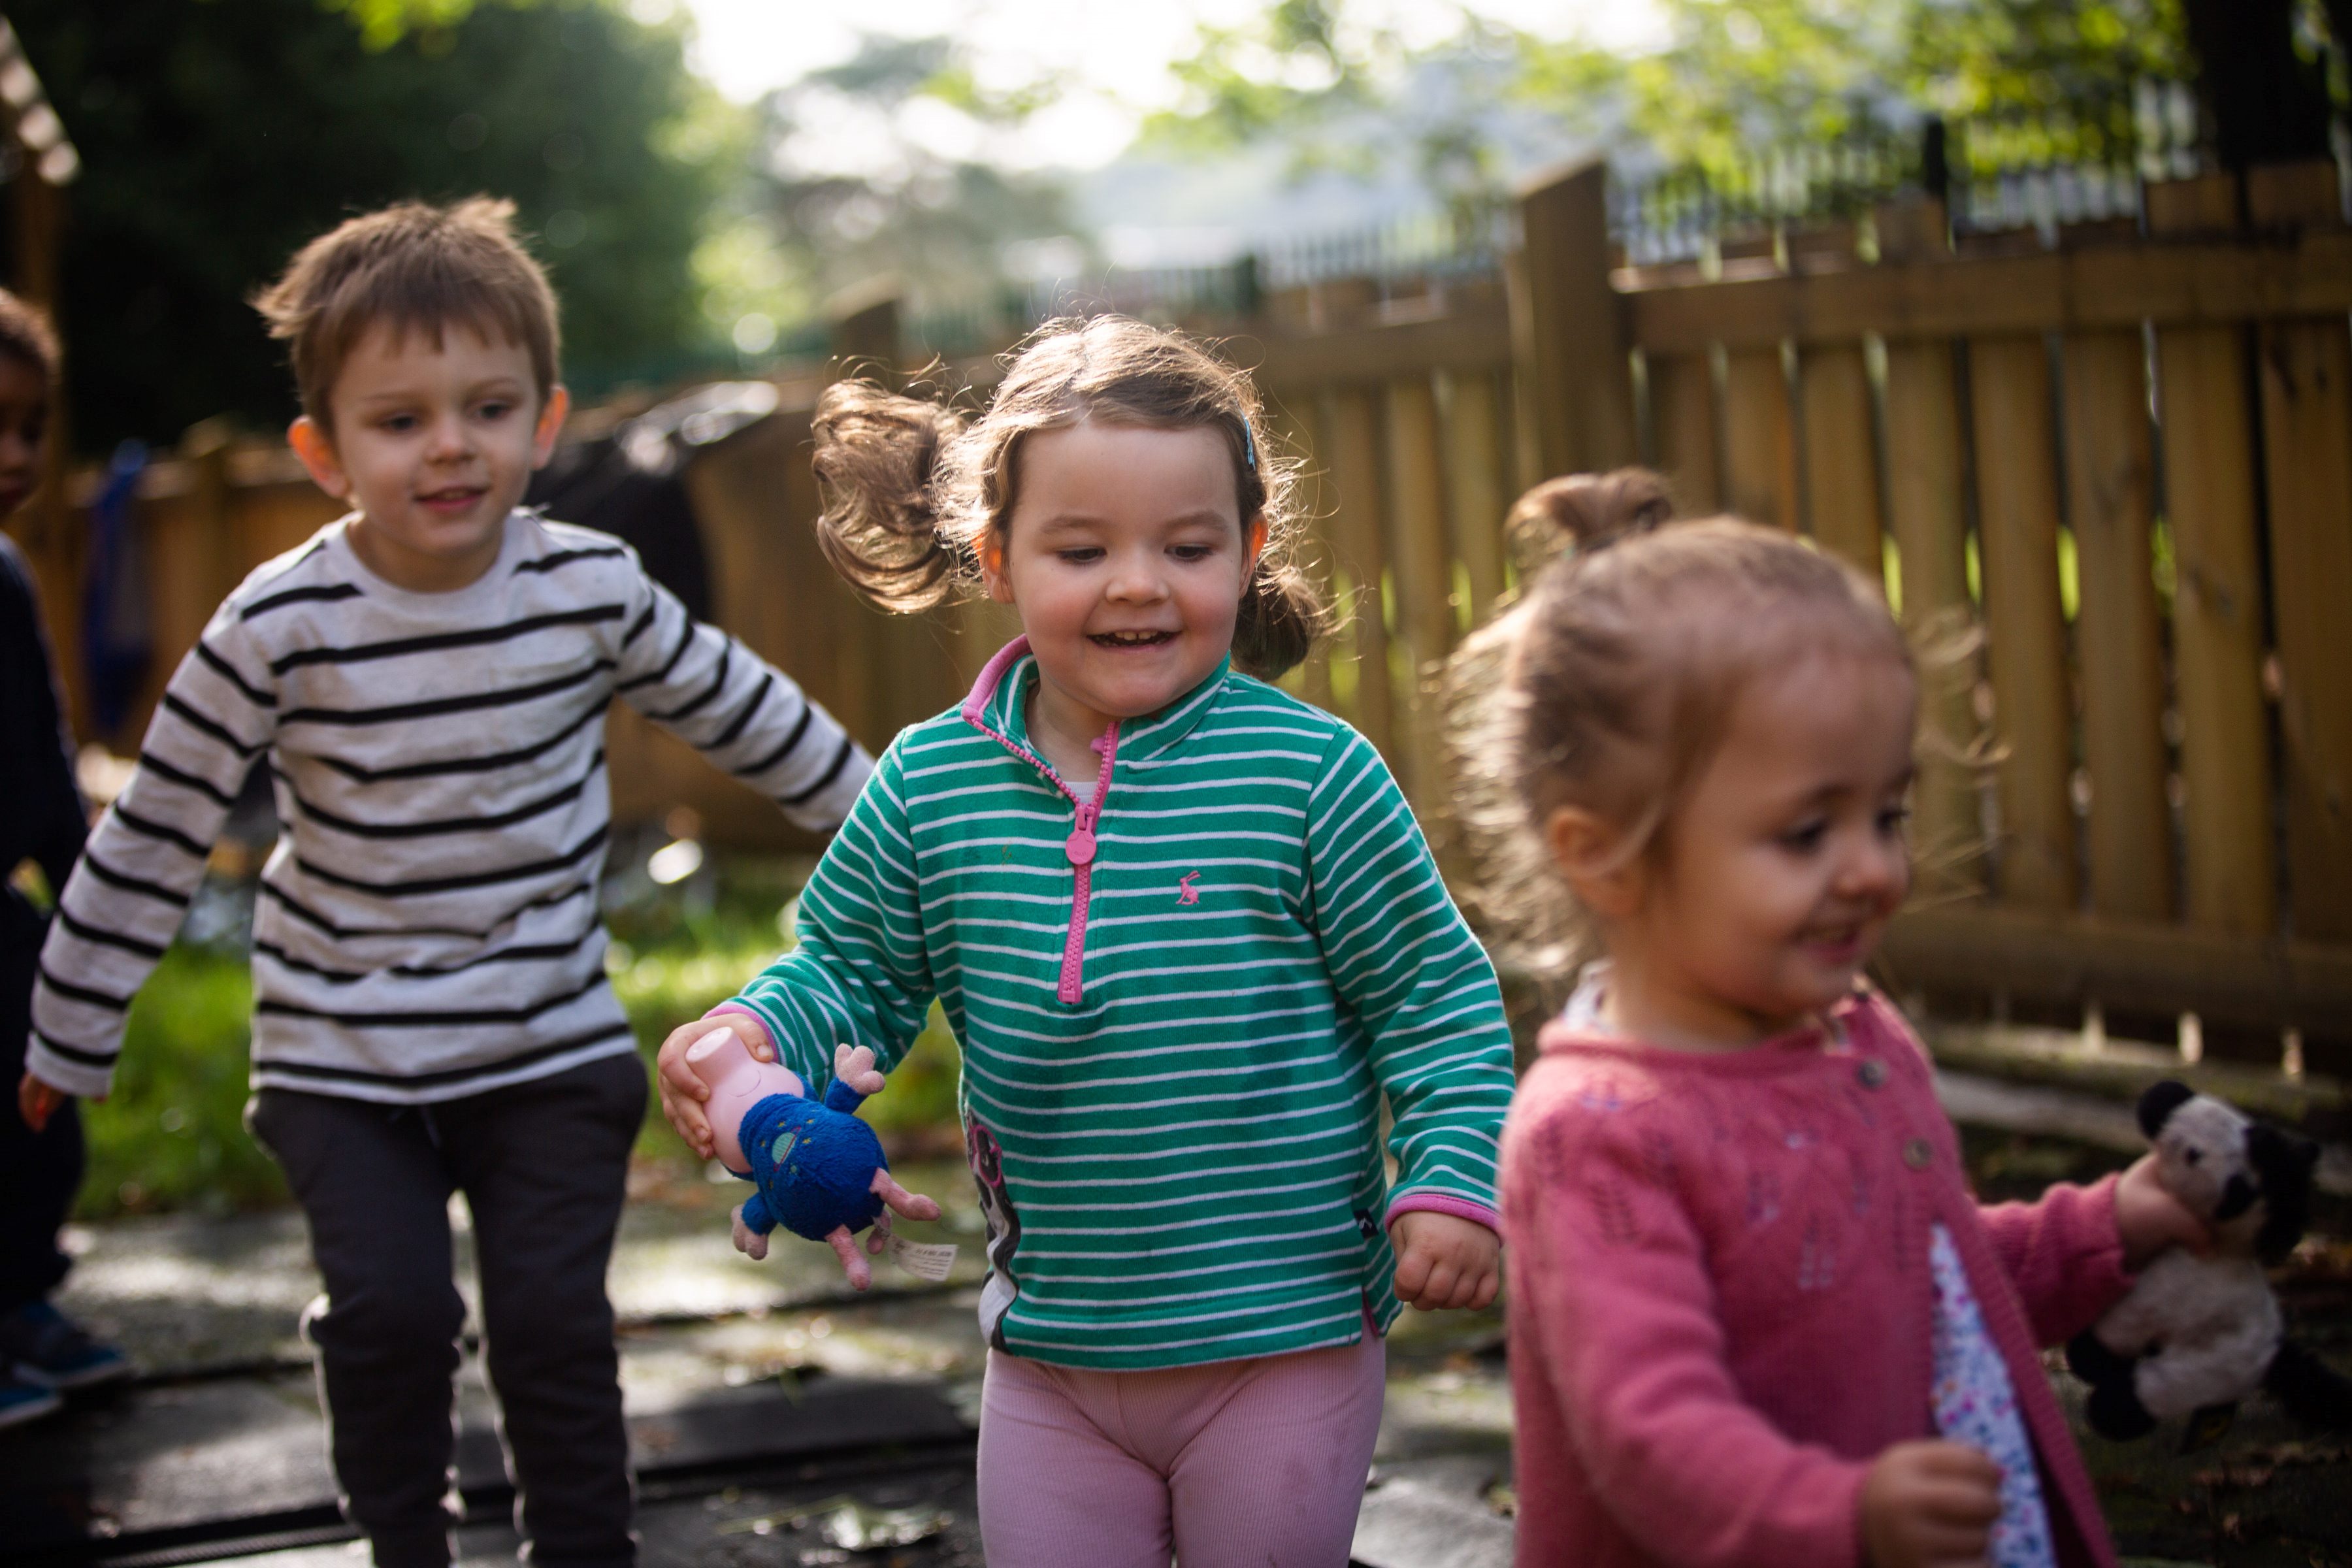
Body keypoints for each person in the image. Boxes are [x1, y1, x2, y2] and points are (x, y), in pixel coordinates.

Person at [18, 198, 871, 1567]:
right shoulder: (277, 624)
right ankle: (404, 1539)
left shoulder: (588, 587)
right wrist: (70, 1021)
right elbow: (158, 822)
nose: (450, 445)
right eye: (400, 419)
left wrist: (905, 837)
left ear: (545, 422)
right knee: (393, 1314)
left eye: (487, 408)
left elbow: (753, 715)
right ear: (323, 450)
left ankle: (583, 1548)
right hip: (341, 1058)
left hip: (547, 1042)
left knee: (551, 1323)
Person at [655, 315, 1518, 1568]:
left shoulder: (1310, 776)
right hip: (1053, 1346)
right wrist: (753, 1037)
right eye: (1081, 549)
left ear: (1249, 550)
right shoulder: (931, 786)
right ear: (994, 556)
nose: (1136, 583)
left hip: (1286, 1337)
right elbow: (849, 969)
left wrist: (1452, 1179)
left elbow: (1433, 1001)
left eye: (1187, 547)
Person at [1477, 501, 2211, 1568]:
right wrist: (1843, 1515)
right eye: (1809, 831)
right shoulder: (1599, 1136)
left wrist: (2110, 1227)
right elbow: (1652, 1434)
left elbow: (1926, 1281)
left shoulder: (1855, 1041)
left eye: (1888, 816)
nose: (1871, 867)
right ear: (1604, 857)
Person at [0, 290, 135, 1429]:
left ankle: (21, 1293)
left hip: (4, 912)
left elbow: (42, 754)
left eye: (32, 426)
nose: (15, 453)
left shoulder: (8, 577)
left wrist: (82, 899)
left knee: (37, 1104)